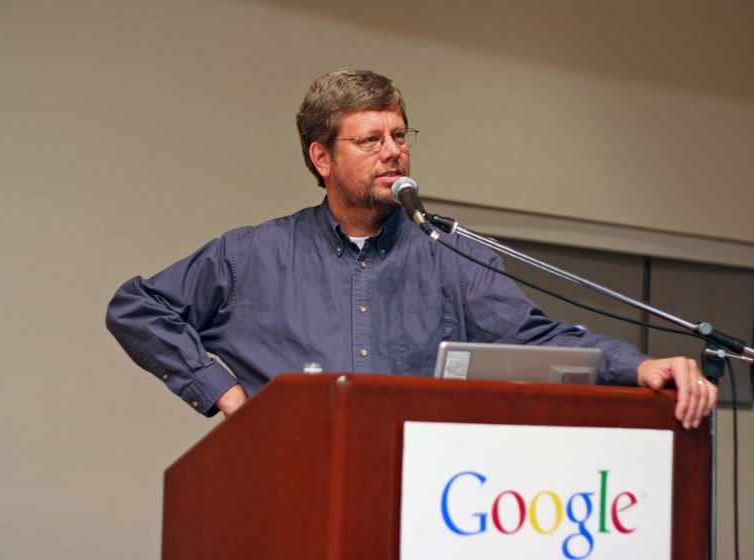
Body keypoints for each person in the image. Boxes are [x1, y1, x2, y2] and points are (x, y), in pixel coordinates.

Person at [106, 69, 717, 429]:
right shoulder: (251, 256)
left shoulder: (452, 256)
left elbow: (535, 338)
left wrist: (637, 367)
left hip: (423, 497)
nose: (393, 151)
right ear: (322, 158)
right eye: (370, 140)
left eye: (399, 135)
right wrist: (226, 394)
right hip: (290, 486)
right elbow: (138, 307)